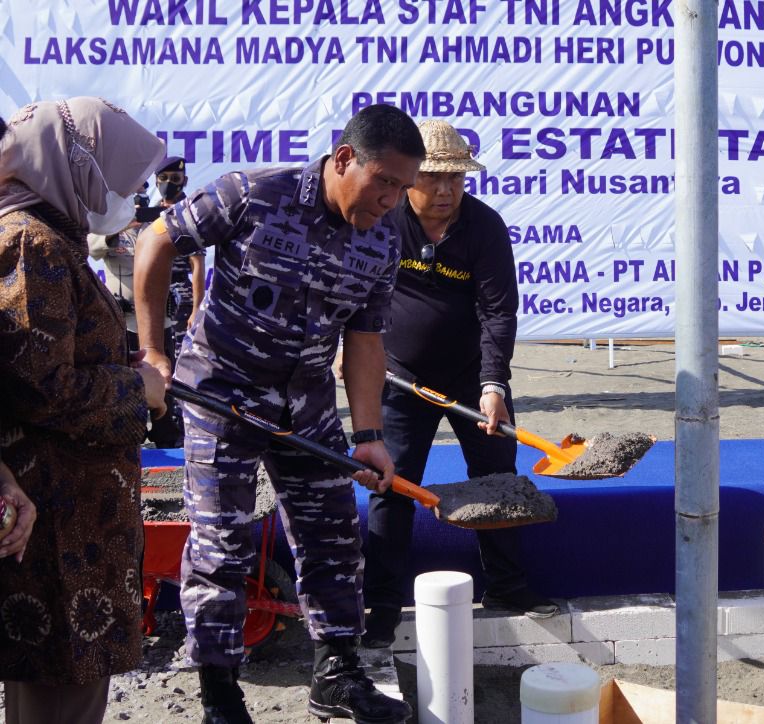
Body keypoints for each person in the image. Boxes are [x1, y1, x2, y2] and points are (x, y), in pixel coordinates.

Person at [131, 104, 423, 724]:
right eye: (386, 182)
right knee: (222, 544)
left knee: (335, 535)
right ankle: (220, 694)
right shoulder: (254, 194)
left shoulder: (384, 235)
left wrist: (369, 436)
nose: (394, 199)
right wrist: (154, 350)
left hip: (306, 401)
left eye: (404, 187)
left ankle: (337, 676)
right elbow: (157, 241)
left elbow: (366, 339)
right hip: (222, 394)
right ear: (345, 159)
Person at [0, 98, 168, 723]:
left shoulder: (50, 235)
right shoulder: (31, 244)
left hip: (68, 517)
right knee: (60, 692)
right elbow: (40, 387)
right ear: (72, 167)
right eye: (118, 178)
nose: (129, 196)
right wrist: (139, 390)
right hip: (59, 529)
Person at [362, 120, 556, 647]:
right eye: (433, 178)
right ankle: (379, 606)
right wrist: (354, 349)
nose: (446, 190)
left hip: (475, 374)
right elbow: (358, 292)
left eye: (456, 178)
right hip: (400, 377)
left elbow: (498, 312)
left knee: (498, 477)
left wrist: (494, 383)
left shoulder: (484, 226)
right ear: (408, 179)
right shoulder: (385, 222)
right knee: (392, 484)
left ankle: (508, 588)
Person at [88, 154, 204, 448]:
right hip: (122, 319)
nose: (137, 195)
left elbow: (181, 257)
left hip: (157, 318)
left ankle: (166, 431)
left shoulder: (156, 220)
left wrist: (144, 221)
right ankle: (131, 431)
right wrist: (119, 228)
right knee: (125, 378)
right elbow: (93, 249)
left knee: (163, 375)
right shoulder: (107, 219)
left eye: (140, 189)